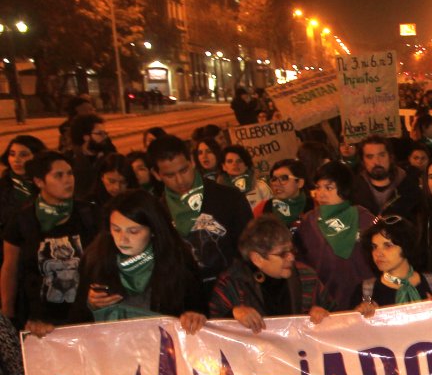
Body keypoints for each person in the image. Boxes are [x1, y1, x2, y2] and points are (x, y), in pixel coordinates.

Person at [72, 190, 207, 330]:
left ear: (153, 230)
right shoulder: (96, 258)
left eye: (133, 231)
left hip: (162, 346)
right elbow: (77, 321)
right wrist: (91, 304)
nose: (122, 239)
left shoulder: (178, 260)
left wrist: (193, 318)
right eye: (116, 229)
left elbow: (199, 311)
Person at [1, 152, 99, 336]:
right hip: (39, 322)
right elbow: (10, 268)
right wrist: (8, 314)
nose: (68, 180)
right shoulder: (22, 220)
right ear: (39, 182)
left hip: (85, 317)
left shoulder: (89, 214)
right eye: (58, 175)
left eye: (70, 173)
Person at [147, 135, 253, 294]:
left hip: (234, 296)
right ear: (156, 174)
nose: (180, 180)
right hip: (187, 302)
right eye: (170, 175)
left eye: (184, 170)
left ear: (192, 161)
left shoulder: (229, 198)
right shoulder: (156, 212)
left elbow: (250, 249)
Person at [210, 216, 333, 333]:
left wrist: (324, 314)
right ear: (257, 259)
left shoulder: (307, 277)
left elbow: (336, 317)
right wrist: (233, 314)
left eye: (291, 250)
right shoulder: (232, 282)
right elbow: (211, 330)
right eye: (282, 254)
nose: (291, 257)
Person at [296, 161, 377, 309]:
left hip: (365, 300)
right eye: (318, 187)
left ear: (344, 189)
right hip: (325, 303)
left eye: (329, 187)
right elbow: (300, 262)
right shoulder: (308, 221)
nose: (321, 193)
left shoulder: (364, 217)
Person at [354, 217, 432, 314]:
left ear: (406, 246)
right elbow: (350, 326)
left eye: (387, 245)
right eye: (374, 247)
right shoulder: (365, 292)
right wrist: (361, 317)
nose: (378, 253)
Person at [0, 136, 47, 263]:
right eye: (12, 154)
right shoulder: (4, 187)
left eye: (24, 155)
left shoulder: (47, 186)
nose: (16, 160)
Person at [351, 135, 422, 218]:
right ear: (363, 161)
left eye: (381, 155)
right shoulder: (354, 191)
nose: (376, 162)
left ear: (390, 157)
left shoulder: (410, 188)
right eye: (370, 157)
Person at [66, 114, 117, 195]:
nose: (105, 137)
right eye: (99, 133)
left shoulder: (110, 156)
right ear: (86, 137)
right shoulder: (69, 160)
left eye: (105, 133)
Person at [255, 159, 310, 229]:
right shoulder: (263, 208)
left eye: (284, 178)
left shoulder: (314, 205)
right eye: (274, 179)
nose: (277, 184)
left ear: (300, 183)